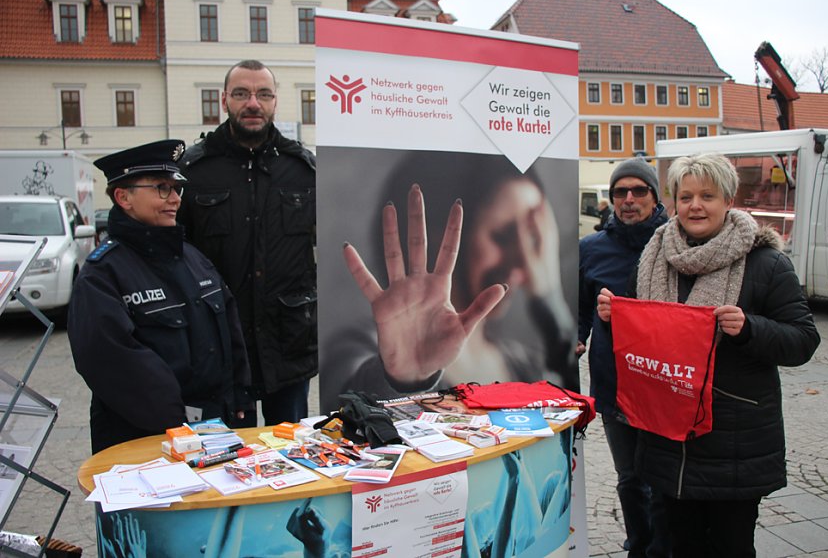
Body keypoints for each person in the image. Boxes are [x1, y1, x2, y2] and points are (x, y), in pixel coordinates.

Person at [597, 153, 820, 557]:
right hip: (667, 443)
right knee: (679, 546)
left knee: (730, 547)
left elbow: (803, 340)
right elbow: (641, 340)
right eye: (686, 197)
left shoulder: (766, 264)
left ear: (728, 201)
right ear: (674, 202)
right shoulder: (653, 259)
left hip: (733, 444)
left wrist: (750, 329)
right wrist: (615, 318)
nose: (695, 206)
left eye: (707, 196)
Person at [326, 153, 579, 410]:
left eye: (534, 241)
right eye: (502, 236)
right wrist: (399, 380)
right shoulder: (358, 348)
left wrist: (552, 305)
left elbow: (571, 416)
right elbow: (342, 411)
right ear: (439, 235)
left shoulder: (527, 366)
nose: (523, 263)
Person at [68, 139, 252, 454]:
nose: (175, 199)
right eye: (161, 189)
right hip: (146, 442)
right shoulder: (103, 274)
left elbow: (231, 334)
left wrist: (240, 400)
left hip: (213, 431)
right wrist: (180, 423)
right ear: (123, 197)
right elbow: (114, 363)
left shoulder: (193, 257)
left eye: (176, 188)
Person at [178, 59, 317, 426]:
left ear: (275, 101)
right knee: (228, 454)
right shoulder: (194, 171)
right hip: (220, 344)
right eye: (241, 94)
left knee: (290, 450)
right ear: (224, 99)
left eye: (263, 94)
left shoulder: (304, 169)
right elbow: (174, 256)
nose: (253, 103)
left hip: (288, 344)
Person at [577, 157, 670, 558]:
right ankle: (639, 547)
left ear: (654, 196)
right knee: (630, 478)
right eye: (620, 192)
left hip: (666, 383)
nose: (629, 199)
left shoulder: (676, 242)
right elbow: (580, 308)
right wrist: (577, 337)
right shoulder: (591, 249)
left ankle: (664, 548)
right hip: (614, 382)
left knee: (665, 478)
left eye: (638, 190)